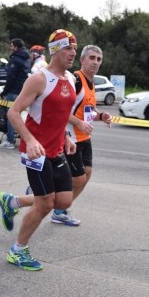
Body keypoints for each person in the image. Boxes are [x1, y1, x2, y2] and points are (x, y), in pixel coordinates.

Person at [0, 28, 78, 271]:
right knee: (45, 204)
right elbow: (14, 111)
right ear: (55, 50)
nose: (72, 53)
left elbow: (60, 114)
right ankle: (18, 251)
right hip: (36, 152)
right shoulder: (39, 78)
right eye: (67, 48)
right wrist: (30, 141)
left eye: (74, 48)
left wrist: (66, 136)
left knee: (63, 199)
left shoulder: (70, 79)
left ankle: (12, 202)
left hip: (56, 149)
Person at [52, 45, 113, 225]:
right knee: (78, 180)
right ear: (82, 60)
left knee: (87, 174)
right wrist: (78, 123)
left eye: (98, 59)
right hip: (71, 137)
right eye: (92, 58)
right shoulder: (75, 80)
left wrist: (101, 116)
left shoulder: (91, 83)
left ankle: (58, 205)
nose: (95, 62)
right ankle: (57, 209)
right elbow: (58, 110)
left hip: (85, 137)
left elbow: (88, 110)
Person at [0, 38, 30, 149]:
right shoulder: (26, 58)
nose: (10, 48)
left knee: (11, 116)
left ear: (16, 47)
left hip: (13, 91)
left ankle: (10, 141)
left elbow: (11, 77)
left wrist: (5, 91)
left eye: (11, 46)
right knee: (17, 116)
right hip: (22, 91)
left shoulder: (15, 59)